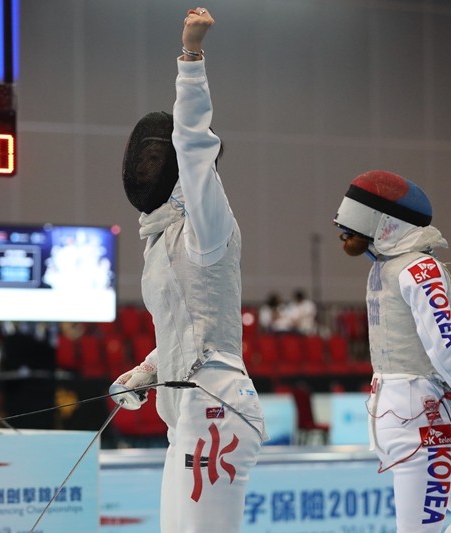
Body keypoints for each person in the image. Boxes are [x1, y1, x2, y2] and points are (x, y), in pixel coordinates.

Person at [110, 8, 267, 532]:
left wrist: (191, 56)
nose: (145, 170)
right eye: (143, 161)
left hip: (217, 405)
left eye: (158, 159)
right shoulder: (159, 238)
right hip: (187, 412)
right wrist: (149, 369)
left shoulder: (207, 221)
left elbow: (196, 144)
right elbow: (186, 326)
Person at [333, 170, 451, 532]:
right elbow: (444, 351)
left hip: (397, 412)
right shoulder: (420, 269)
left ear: (385, 224)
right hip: (417, 418)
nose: (343, 236)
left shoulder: (385, 270)